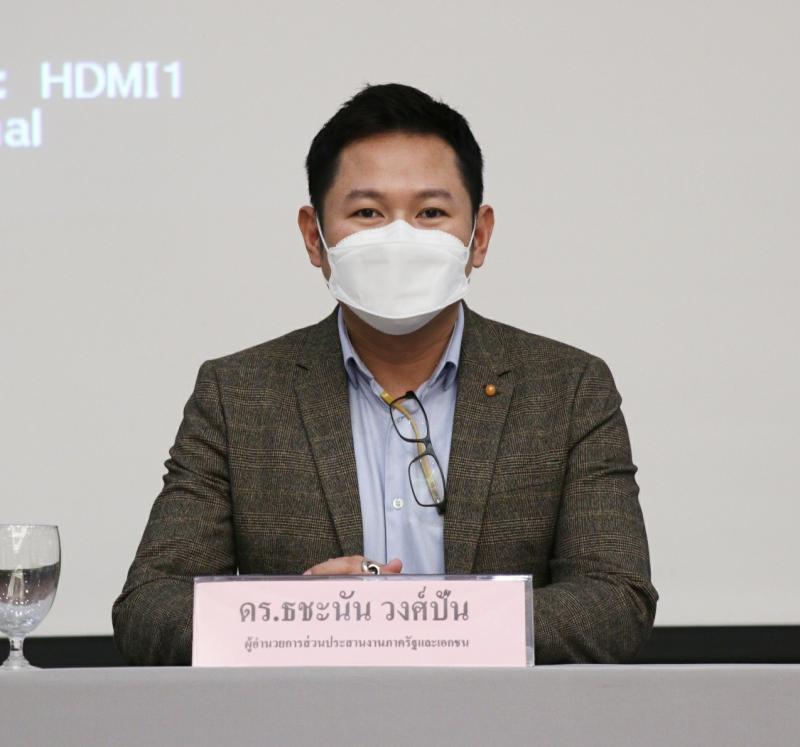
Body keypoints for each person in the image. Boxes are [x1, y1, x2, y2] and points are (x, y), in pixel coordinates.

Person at [112, 83, 658, 665]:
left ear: (479, 236)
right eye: (367, 213)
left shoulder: (568, 388)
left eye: (431, 213)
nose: (399, 238)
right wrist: (297, 619)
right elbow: (150, 607)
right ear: (314, 237)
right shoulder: (238, 394)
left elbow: (615, 600)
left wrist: (416, 626)